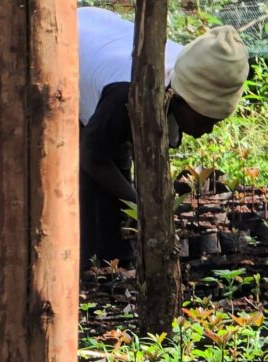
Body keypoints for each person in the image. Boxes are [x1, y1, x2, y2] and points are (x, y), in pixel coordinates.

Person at [78, 7, 248, 267]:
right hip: (72, 51)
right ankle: (89, 268)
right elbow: (90, 156)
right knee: (87, 181)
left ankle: (113, 259)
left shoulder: (184, 71)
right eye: (207, 120)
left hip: (99, 40)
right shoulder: (126, 93)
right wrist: (142, 204)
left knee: (115, 169)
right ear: (183, 101)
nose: (209, 130)